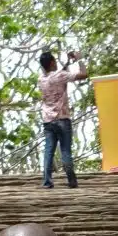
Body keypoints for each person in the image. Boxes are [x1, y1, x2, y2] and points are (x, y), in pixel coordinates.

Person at [38, 49, 87, 189]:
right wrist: (79, 60)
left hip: (48, 120)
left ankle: (47, 181)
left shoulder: (41, 79)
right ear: (52, 62)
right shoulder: (60, 75)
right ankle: (71, 180)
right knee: (65, 150)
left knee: (49, 150)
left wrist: (67, 62)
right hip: (62, 118)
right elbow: (84, 75)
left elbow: (60, 75)